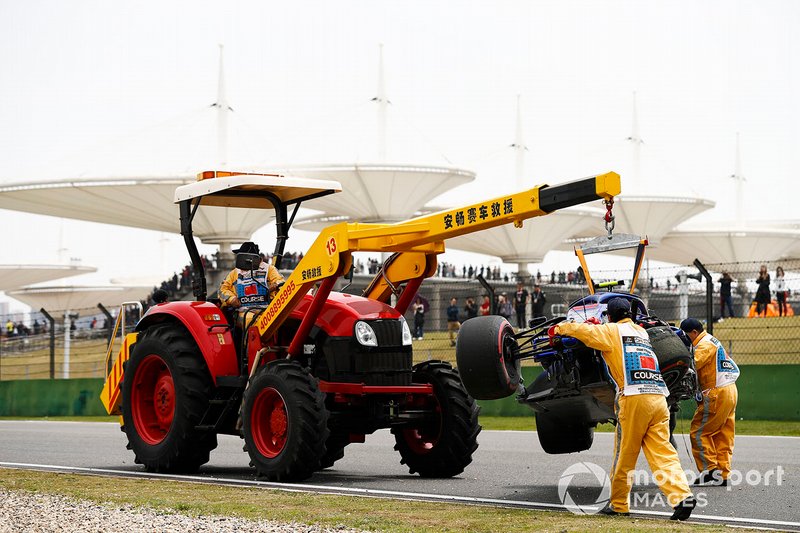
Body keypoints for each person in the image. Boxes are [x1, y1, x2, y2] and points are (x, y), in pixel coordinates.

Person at [551, 298, 695, 520]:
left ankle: (619, 504)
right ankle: (682, 497)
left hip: (634, 398)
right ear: (630, 315)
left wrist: (559, 328)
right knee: (663, 453)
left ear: (609, 316)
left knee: (624, 455)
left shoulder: (610, 331)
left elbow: (582, 332)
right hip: (659, 397)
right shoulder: (641, 333)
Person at [680, 318, 740, 486]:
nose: (685, 340)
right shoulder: (712, 340)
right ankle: (723, 473)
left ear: (694, 332)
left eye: (686, 336)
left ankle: (710, 470)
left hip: (716, 392)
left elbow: (691, 364)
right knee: (723, 434)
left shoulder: (704, 345)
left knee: (699, 432)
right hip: (730, 390)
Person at [219, 242, 284, 310]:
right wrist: (231, 299)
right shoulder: (234, 272)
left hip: (267, 313)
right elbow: (222, 289)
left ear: (248, 258)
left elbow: (281, 281)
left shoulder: (269, 269)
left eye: (240, 257)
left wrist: (276, 284)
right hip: (243, 313)